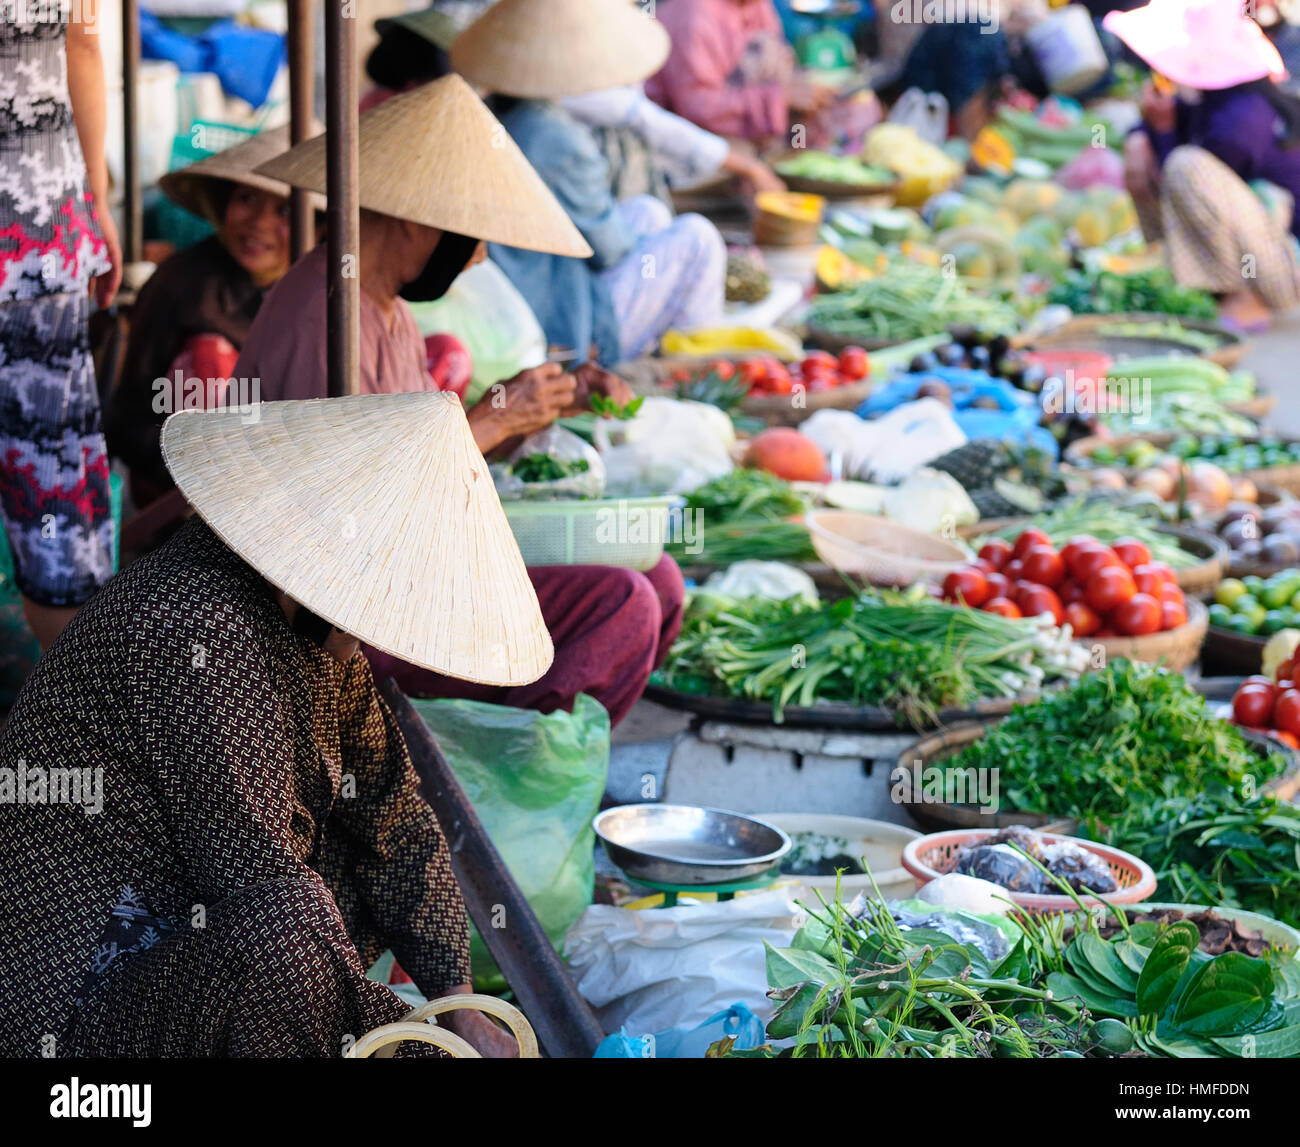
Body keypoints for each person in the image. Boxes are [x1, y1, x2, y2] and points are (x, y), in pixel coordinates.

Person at [0, 390, 541, 1057]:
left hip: (187, 941)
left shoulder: (312, 630)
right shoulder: (201, 627)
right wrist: (417, 1046)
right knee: (290, 921)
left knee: (359, 861)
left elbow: (392, 815)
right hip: (78, 1003)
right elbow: (260, 887)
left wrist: (458, 1006)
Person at [241, 75, 685, 727]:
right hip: (345, 623)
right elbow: (353, 514)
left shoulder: (385, 309)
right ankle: (497, 781)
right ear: (419, 218)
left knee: (663, 581)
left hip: (411, 575)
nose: (478, 259)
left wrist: (546, 404)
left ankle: (532, 773)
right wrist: (493, 418)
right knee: (620, 606)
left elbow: (432, 449)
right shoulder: (324, 315)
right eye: (474, 235)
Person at [451, 0, 729, 362]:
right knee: (698, 238)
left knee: (649, 211)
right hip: (550, 320)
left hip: (516, 287)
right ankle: (694, 366)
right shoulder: (555, 138)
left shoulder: (494, 114)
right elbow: (610, 248)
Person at [106, 126, 322, 507]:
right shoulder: (183, 283)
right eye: (246, 198)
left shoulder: (322, 292)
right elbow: (130, 413)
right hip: (184, 488)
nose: (258, 222)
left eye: (284, 210)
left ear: (319, 226)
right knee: (212, 359)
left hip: (288, 489)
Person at [0, 1, 121, 650]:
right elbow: (82, 42)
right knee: (49, 492)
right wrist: (97, 201)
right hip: (36, 239)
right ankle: (71, 728)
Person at [1110, 0, 1300, 331]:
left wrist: (1164, 129)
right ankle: (1175, 270)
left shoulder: (1240, 121)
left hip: (1282, 267)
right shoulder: (1212, 101)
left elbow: (1186, 189)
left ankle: (1245, 298)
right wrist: (1141, 134)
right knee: (1152, 154)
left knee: (1185, 166)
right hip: (1264, 247)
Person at [646, 0, 833, 144]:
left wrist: (803, 93)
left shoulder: (756, 5)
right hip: (695, 146)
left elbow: (779, 65)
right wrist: (779, 98)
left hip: (750, 140)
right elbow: (696, 108)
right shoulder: (694, 15)